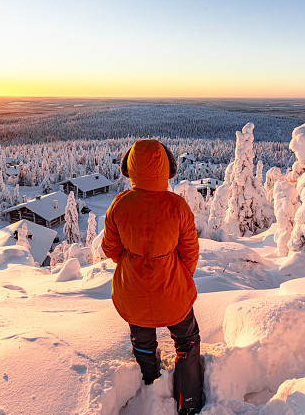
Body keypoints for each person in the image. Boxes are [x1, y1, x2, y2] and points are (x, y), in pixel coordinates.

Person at [102, 139, 203, 414]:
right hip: (173, 291)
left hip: (133, 292)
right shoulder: (177, 205)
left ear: (129, 168)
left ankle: (151, 386)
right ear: (167, 168)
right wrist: (179, 276)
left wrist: (131, 261)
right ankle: (189, 401)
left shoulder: (119, 205)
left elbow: (110, 249)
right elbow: (190, 252)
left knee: (143, 344)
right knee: (187, 341)